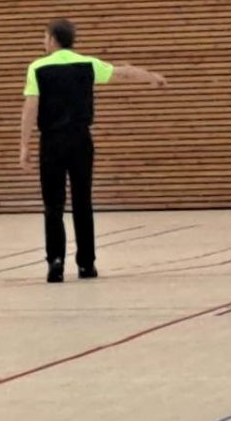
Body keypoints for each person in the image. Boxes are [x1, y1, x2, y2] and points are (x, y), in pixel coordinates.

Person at [19, 18, 166, 283]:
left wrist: (25, 144)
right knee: (82, 201)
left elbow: (31, 106)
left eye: (44, 37)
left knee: (53, 204)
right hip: (80, 140)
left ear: (52, 39)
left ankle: (56, 263)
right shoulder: (87, 64)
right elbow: (123, 72)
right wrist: (151, 77)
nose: (43, 42)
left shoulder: (38, 68)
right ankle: (86, 264)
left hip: (52, 142)